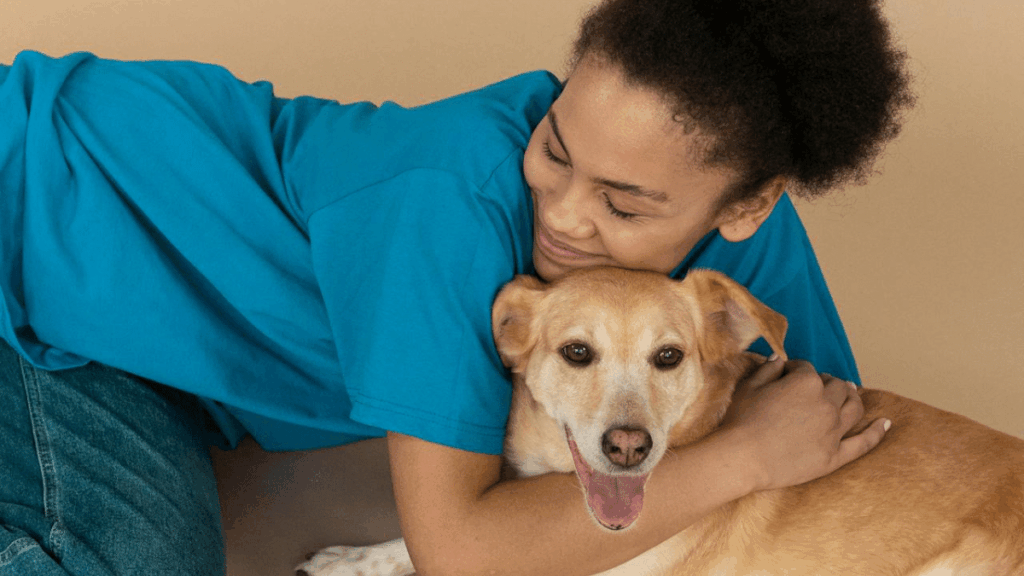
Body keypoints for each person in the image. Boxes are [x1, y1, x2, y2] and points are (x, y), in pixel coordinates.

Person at [0, 0, 912, 574]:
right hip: (31, 232)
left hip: (147, 360)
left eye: (623, 203)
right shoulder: (450, 204)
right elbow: (463, 552)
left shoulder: (741, 250)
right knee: (122, 558)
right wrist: (741, 459)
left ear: (747, 208)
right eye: (555, 147)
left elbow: (829, 446)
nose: (562, 214)